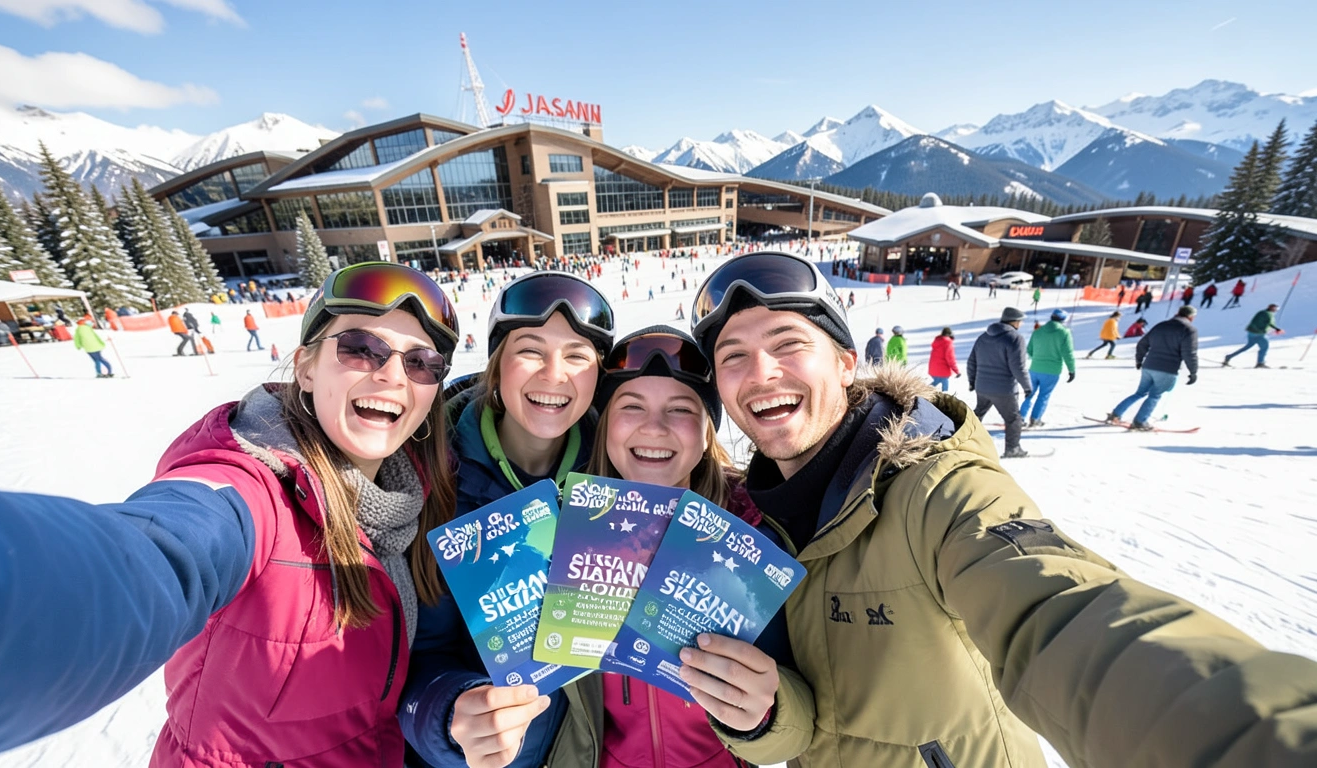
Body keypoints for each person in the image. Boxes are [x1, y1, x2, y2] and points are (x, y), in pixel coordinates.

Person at [683, 251, 1317, 768]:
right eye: (732, 355)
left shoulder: (936, 489)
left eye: (788, 343)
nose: (760, 372)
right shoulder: (753, 527)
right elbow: (804, 728)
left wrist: (1245, 739)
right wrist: (764, 715)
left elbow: (1059, 615)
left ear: (848, 364)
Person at [0, 262, 461, 765]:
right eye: (360, 348)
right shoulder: (247, 491)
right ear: (306, 366)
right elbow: (152, 556)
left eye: (421, 362)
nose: (392, 375)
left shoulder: (415, 502)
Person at [401, 271, 614, 768]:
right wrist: (453, 714)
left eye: (577, 356)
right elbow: (415, 657)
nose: (554, 375)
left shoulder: (615, 477)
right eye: (531, 351)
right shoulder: (434, 478)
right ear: (497, 367)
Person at [549, 326, 779, 768]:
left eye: (680, 409)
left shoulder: (756, 535)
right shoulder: (559, 534)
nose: (654, 428)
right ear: (604, 424)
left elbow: (795, 690)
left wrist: (763, 711)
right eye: (632, 406)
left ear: (708, 429)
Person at [1106, 305, 1199, 430]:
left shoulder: (1161, 325)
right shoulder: (1189, 330)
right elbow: (1189, 353)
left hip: (1149, 366)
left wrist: (1139, 360)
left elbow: (1142, 343)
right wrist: (1193, 372)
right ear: (1191, 317)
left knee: (1140, 393)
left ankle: (1115, 414)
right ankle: (1140, 421)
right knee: (1155, 395)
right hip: (1167, 368)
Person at [967, 307, 1033, 458]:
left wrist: (972, 381)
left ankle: (964, 441)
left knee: (977, 414)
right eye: (1020, 321)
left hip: (982, 386)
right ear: (1015, 321)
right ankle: (1013, 449)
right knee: (1013, 419)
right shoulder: (1015, 338)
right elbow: (1019, 367)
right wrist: (1027, 387)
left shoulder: (983, 337)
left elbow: (972, 362)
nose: (1021, 324)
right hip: (1004, 389)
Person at [1021, 309, 1076, 428]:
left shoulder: (1038, 331)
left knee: (1028, 394)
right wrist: (1071, 370)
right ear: (1064, 320)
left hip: (1034, 368)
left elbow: (1029, 350)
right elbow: (1068, 353)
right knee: (1043, 395)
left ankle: (1020, 418)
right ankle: (1035, 419)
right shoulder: (1064, 333)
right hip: (1052, 370)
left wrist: (1038, 358)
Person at [1223, 303, 1284, 368]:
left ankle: (1229, 357)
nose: (1276, 310)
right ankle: (1260, 363)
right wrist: (1277, 329)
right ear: (1272, 308)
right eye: (1275, 308)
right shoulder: (1268, 314)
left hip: (1251, 332)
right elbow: (1269, 323)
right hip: (1259, 334)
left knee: (1247, 347)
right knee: (1264, 347)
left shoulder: (1261, 312)